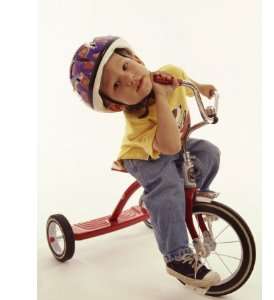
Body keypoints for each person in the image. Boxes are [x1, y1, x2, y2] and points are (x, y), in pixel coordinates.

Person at [70, 36, 221, 288]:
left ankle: (190, 201)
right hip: (143, 154)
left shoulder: (168, 74)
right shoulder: (138, 115)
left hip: (173, 144)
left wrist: (201, 87)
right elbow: (169, 146)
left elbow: (185, 81)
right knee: (167, 185)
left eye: (126, 66)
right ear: (116, 104)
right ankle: (176, 258)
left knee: (208, 152)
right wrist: (161, 97)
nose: (128, 78)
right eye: (117, 85)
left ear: (135, 59)